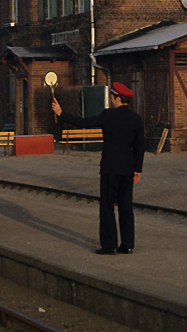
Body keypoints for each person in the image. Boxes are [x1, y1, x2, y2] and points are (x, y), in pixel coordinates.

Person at [51, 82, 145, 255]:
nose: (110, 99)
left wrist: (61, 114)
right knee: (126, 207)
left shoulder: (108, 116)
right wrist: (137, 169)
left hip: (110, 168)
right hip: (127, 168)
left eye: (111, 96)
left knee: (107, 207)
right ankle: (128, 245)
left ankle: (109, 246)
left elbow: (84, 123)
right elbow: (140, 146)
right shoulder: (136, 118)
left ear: (117, 98)